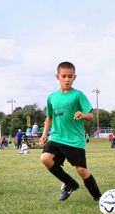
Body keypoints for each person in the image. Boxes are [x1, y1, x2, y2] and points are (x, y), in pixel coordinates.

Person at [39, 61, 102, 201]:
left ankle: (99, 198)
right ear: (58, 77)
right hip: (56, 137)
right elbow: (49, 117)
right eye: (64, 76)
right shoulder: (52, 97)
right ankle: (70, 183)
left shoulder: (78, 95)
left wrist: (83, 115)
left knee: (81, 170)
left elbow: (91, 115)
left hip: (74, 140)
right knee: (45, 158)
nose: (67, 79)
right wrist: (44, 134)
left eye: (70, 76)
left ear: (75, 77)